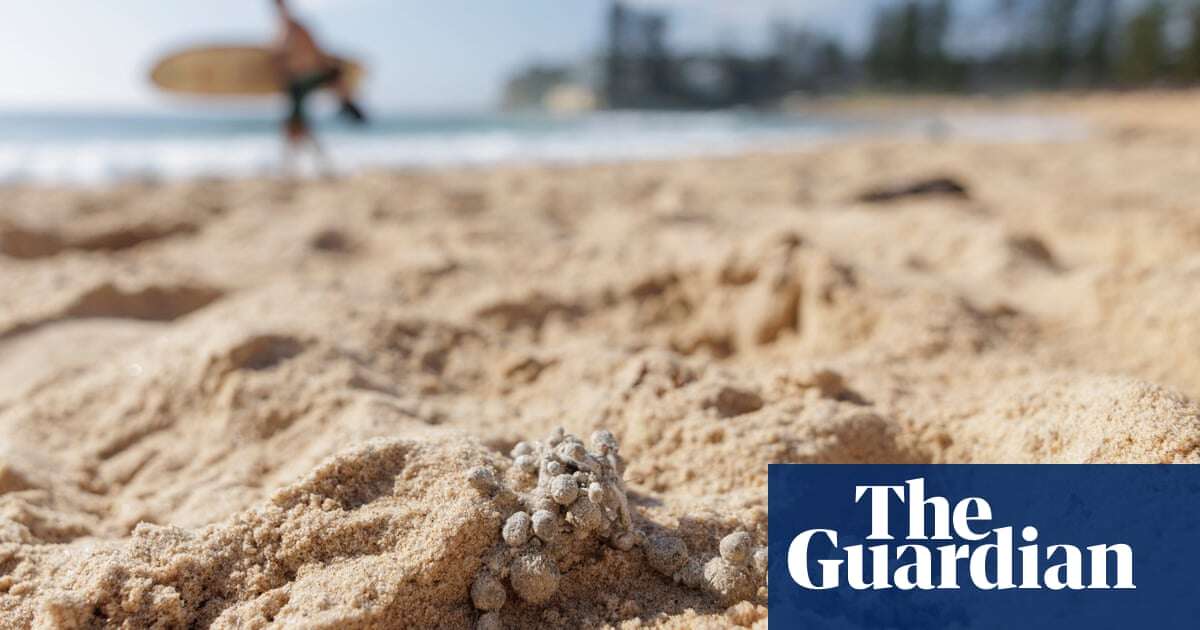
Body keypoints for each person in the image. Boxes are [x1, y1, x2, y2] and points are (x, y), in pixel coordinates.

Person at [270, 0, 367, 170]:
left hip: (301, 83)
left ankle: (291, 165)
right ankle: (308, 164)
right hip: (297, 84)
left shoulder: (295, 29)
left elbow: (314, 54)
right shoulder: (286, 29)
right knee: (299, 124)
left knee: (297, 123)